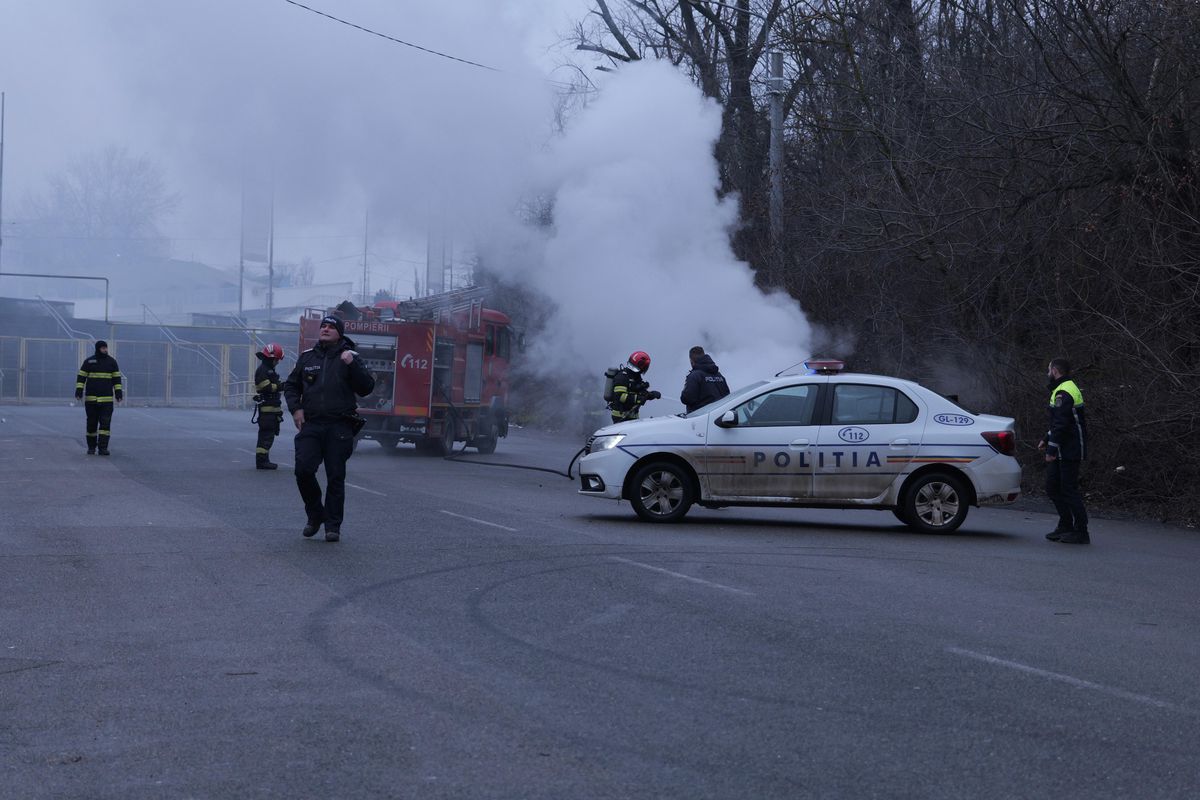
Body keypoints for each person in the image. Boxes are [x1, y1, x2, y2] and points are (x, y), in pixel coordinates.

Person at [283, 315, 375, 543]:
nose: (325, 329)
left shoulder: (351, 357)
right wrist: (296, 409)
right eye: (323, 326)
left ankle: (332, 526)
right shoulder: (307, 358)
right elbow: (291, 386)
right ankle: (315, 515)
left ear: (340, 333)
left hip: (339, 425)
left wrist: (351, 365)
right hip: (311, 424)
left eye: (331, 327)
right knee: (303, 471)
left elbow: (366, 388)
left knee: (335, 477)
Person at [1038, 358, 1089, 544]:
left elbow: (1062, 424)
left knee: (1068, 489)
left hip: (1069, 449)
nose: (1047, 373)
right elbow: (1058, 421)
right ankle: (1066, 524)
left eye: (1048, 370)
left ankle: (1081, 531)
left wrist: (1051, 449)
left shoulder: (1064, 391)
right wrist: (1046, 438)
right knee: (1052, 487)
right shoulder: (1061, 389)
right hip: (1062, 447)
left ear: (1055, 371)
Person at [74, 340, 123, 455]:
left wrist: (118, 393)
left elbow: (117, 379)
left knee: (105, 425)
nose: (105, 350)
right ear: (98, 349)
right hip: (91, 400)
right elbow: (81, 377)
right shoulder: (89, 361)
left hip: (106, 400)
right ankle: (91, 447)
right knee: (91, 424)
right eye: (103, 348)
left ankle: (103, 448)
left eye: (106, 348)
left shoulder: (112, 362)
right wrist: (79, 391)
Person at [252, 343, 286, 470]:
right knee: (266, 436)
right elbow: (265, 387)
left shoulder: (267, 369)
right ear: (272, 358)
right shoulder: (263, 370)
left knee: (268, 436)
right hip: (267, 411)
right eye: (277, 360)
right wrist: (281, 386)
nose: (277, 362)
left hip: (271, 411)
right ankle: (262, 462)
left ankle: (264, 460)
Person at [609, 350, 660, 425]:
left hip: (632, 416)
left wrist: (651, 395)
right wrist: (639, 399)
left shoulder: (635, 377)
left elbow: (638, 392)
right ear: (642, 365)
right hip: (621, 416)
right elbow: (620, 396)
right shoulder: (622, 377)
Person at [680, 345, 730, 412]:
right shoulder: (719, 375)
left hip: (702, 418)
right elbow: (727, 395)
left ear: (691, 360)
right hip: (720, 417)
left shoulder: (694, 376)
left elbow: (687, 398)